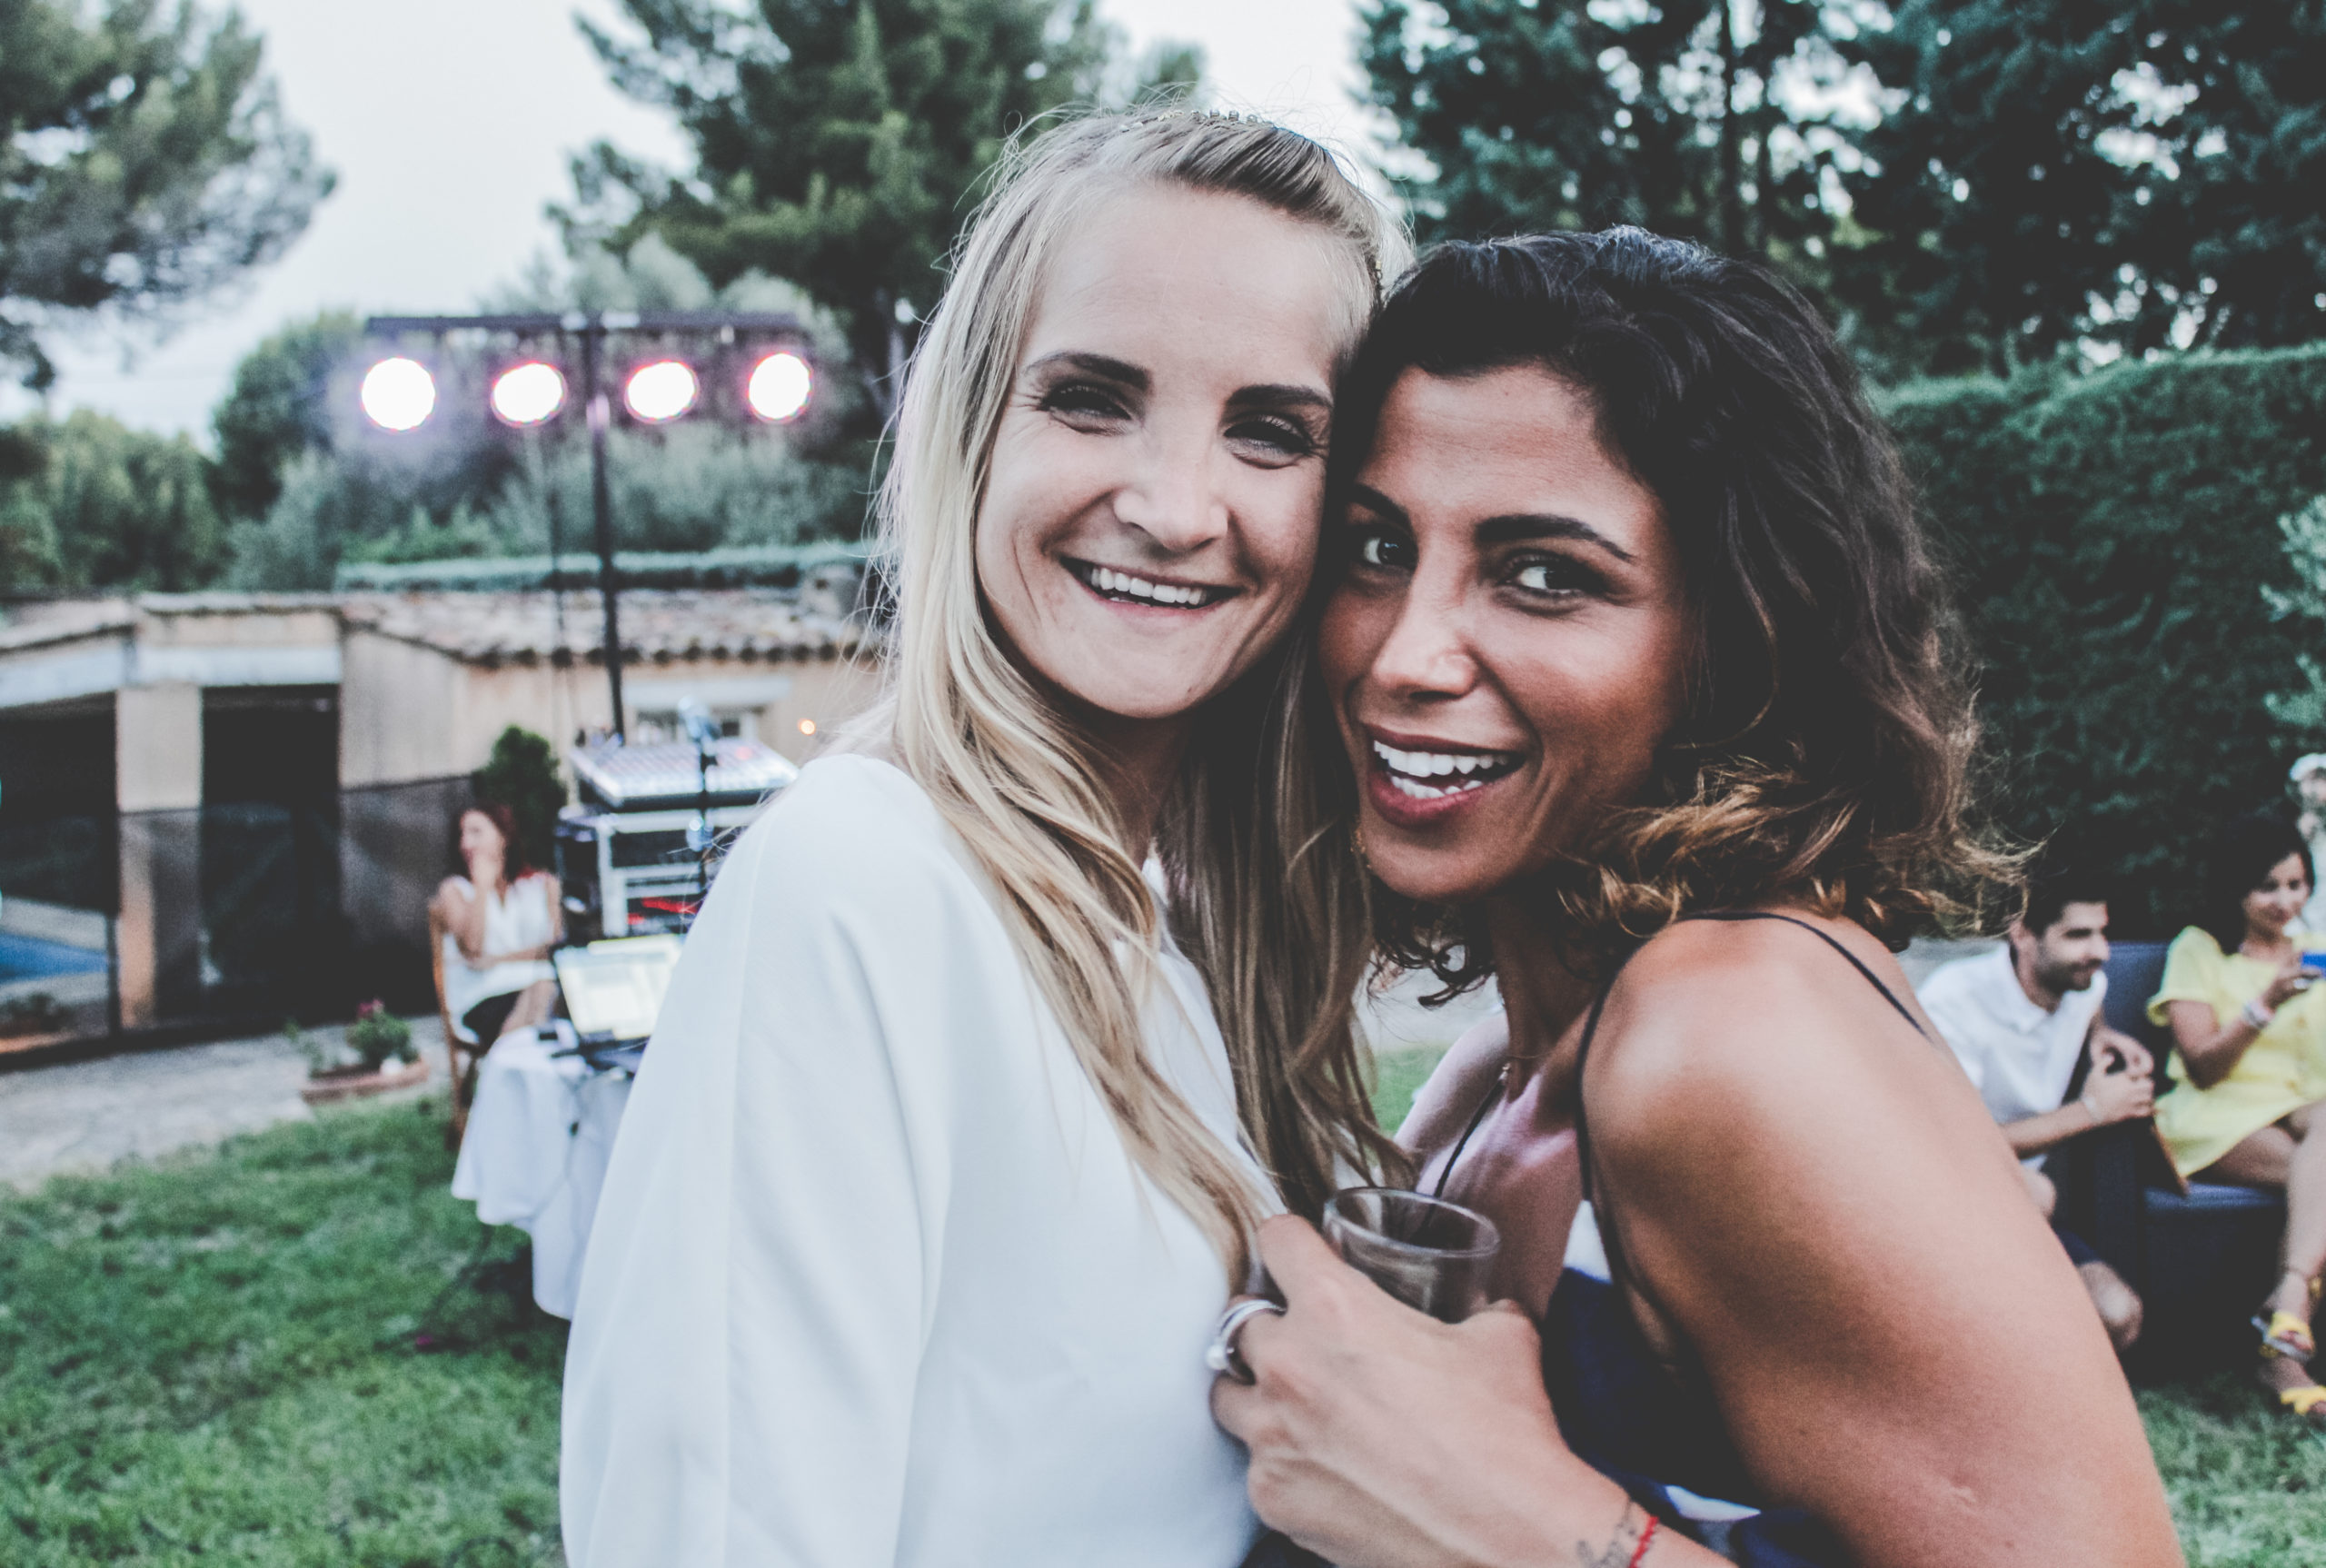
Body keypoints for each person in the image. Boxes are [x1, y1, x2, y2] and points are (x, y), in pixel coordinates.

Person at [1211, 231, 2181, 1568]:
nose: (1403, 654)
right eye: (1374, 547)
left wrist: (1534, 1531)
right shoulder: (1508, 1061)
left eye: (1544, 573)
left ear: (1738, 640)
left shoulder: (1724, 1031)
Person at [560, 112, 1405, 1567]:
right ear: (973, 430)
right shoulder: (858, 881)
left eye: (1271, 431)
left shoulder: (1171, 917)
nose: (1172, 508)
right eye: (1090, 399)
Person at [1916, 863, 2150, 1349]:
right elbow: (1959, 1145)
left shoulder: (2084, 986)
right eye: (2078, 935)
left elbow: (2092, 1005)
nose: (2101, 952)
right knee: (2038, 1192)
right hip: (1949, 1203)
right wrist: (2092, 1110)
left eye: (2102, 932)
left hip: (2025, 1209)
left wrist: (2104, 1036)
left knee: (2118, 1314)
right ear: (2021, 933)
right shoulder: (1954, 1000)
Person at [2150, 809, 2326, 1421]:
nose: (2286, 900)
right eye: (2267, 886)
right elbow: (2202, 1065)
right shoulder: (2198, 950)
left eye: (2296, 884)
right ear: (2235, 888)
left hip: (2306, 1111)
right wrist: (2265, 1003)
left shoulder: (2317, 951)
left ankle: (2286, 1309)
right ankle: (2285, 1349)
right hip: (2218, 1113)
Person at [433, 802, 560, 1049]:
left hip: (539, 984)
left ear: (503, 837)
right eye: (461, 835)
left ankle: (512, 1061)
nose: (465, 844)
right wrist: (482, 888)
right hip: (483, 997)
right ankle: (509, 1061)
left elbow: (555, 948)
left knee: (556, 992)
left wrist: (500, 959)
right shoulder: (455, 890)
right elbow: (472, 949)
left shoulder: (538, 885)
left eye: (476, 832)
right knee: (545, 993)